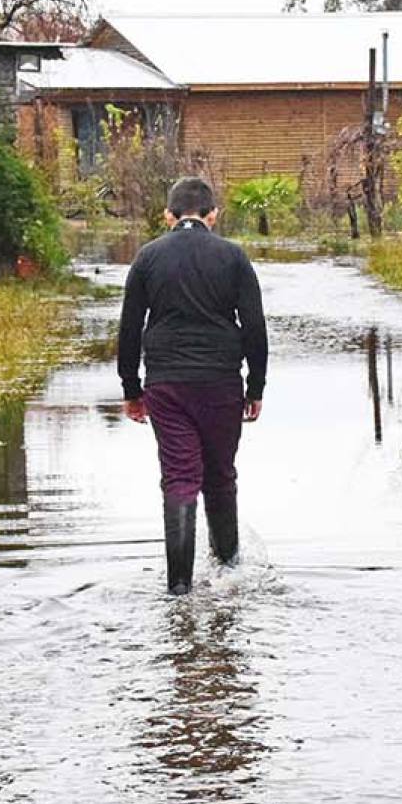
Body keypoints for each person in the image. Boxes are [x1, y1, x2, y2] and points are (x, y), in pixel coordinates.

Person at [117, 176, 268, 595]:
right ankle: (229, 572)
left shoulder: (148, 258)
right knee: (220, 475)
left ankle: (178, 588)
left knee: (180, 477)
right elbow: (254, 327)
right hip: (221, 382)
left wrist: (132, 389)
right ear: (213, 215)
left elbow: (129, 329)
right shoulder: (233, 258)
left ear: (168, 216)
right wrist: (255, 387)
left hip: (166, 385)